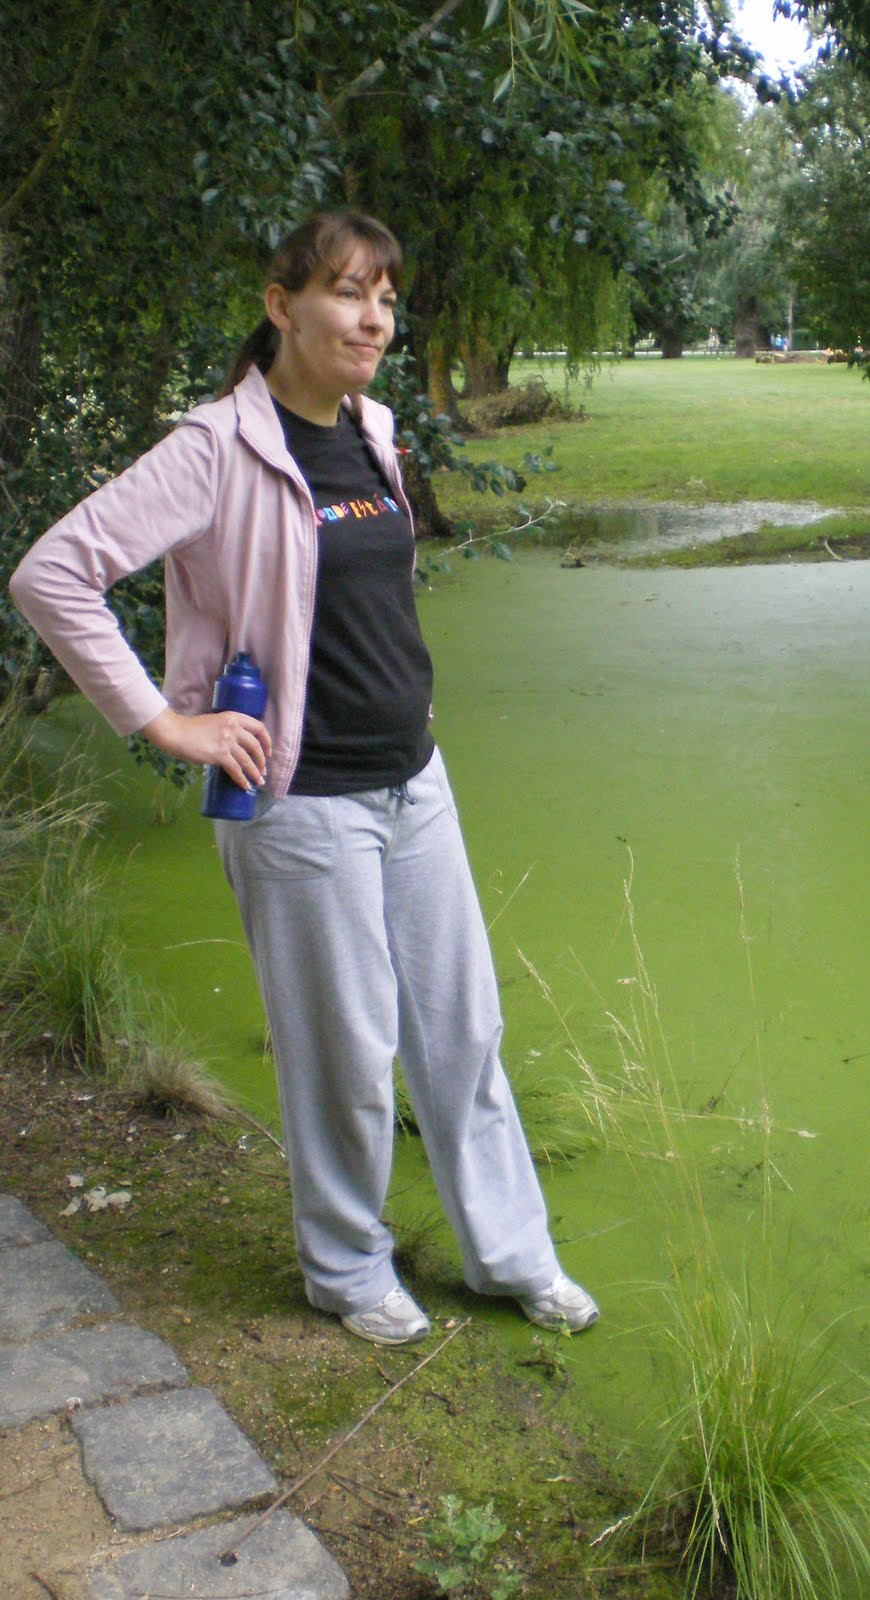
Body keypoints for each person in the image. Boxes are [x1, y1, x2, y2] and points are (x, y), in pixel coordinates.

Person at [9, 210, 598, 1347]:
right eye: (346, 292)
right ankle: (347, 1268)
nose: (372, 319)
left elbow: (359, 598)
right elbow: (53, 574)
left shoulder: (373, 431)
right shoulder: (215, 448)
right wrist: (162, 721)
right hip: (300, 799)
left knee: (461, 1035)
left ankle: (511, 1256)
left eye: (385, 297)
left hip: (411, 782)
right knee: (346, 1057)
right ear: (282, 306)